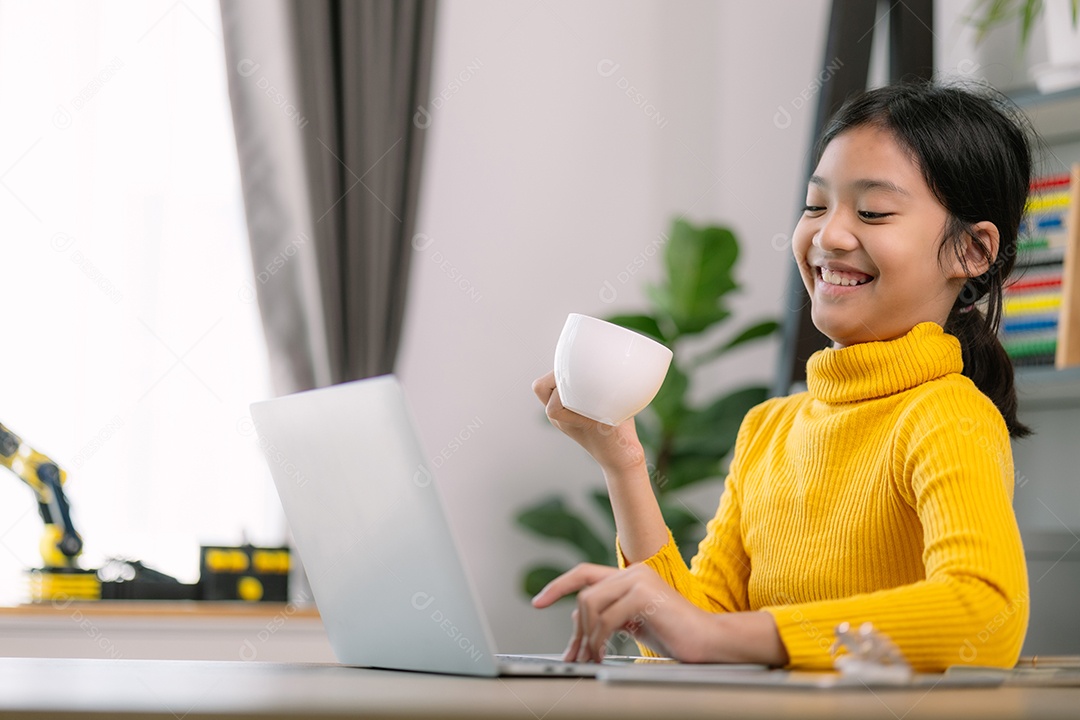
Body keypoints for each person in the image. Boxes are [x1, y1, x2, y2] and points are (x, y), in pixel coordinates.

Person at [530, 82, 1033, 672]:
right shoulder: (768, 428)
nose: (829, 235)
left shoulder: (948, 416)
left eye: (873, 211)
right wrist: (624, 465)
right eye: (816, 205)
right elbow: (696, 630)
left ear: (972, 252)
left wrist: (717, 638)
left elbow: (986, 613)